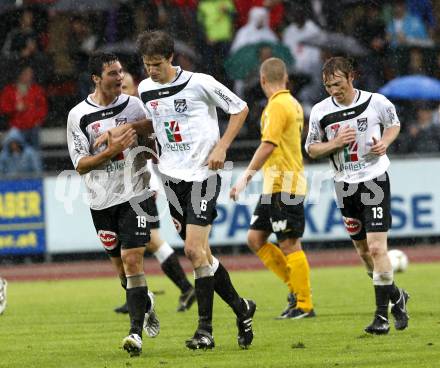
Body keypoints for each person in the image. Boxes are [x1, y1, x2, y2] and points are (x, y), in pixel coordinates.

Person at [136, 30, 255, 350]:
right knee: (203, 255)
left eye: (157, 64)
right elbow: (155, 124)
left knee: (192, 250)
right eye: (147, 64)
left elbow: (240, 108)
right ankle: (242, 309)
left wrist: (222, 147)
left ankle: (205, 331)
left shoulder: (200, 82)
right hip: (171, 179)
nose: (151, 70)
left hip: (204, 173)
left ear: (171, 58)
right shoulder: (145, 89)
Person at [305, 56, 410, 335]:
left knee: (377, 248)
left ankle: (381, 318)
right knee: (364, 253)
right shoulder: (320, 111)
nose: (333, 90)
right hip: (345, 185)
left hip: (374, 180)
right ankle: (397, 297)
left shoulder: (376, 102)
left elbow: (394, 124)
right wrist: (334, 144)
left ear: (351, 77)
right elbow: (312, 149)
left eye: (337, 84)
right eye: (328, 86)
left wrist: (385, 143)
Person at [66, 52, 159, 356]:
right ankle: (144, 303)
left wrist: (143, 144)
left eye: (121, 72)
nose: (120, 78)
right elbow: (80, 165)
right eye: (112, 74)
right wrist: (112, 150)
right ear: (96, 78)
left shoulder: (133, 105)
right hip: (101, 200)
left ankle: (135, 334)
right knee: (122, 272)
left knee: (133, 261)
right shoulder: (78, 116)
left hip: (136, 193)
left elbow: (154, 128)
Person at [230, 57, 315, 319]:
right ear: (286, 78)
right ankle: (295, 289)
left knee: (289, 243)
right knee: (255, 239)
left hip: (284, 184)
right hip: (276, 185)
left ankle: (304, 303)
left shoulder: (277, 106)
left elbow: (269, 144)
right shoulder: (293, 103)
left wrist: (245, 176)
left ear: (263, 80)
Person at [114, 71, 196, 314]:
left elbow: (154, 148)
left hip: (143, 185)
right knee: (145, 241)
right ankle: (148, 294)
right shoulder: (121, 114)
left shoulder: (139, 113)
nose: (122, 90)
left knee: (144, 241)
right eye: (120, 86)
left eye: (126, 86)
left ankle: (176, 288)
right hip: (131, 187)